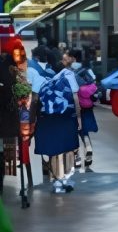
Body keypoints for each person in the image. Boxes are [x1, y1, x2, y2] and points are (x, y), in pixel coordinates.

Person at [35, 54, 81, 194]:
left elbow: (36, 99)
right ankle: (66, 179)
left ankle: (56, 181)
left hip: (49, 118)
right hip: (66, 117)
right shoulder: (68, 75)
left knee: (54, 152)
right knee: (68, 149)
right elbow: (75, 98)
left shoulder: (42, 77)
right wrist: (78, 118)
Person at [67, 48, 99, 169]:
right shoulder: (87, 70)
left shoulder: (68, 71)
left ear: (73, 58)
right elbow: (94, 85)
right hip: (86, 106)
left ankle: (77, 159)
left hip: (73, 106)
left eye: (69, 56)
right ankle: (88, 148)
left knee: (73, 132)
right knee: (84, 130)